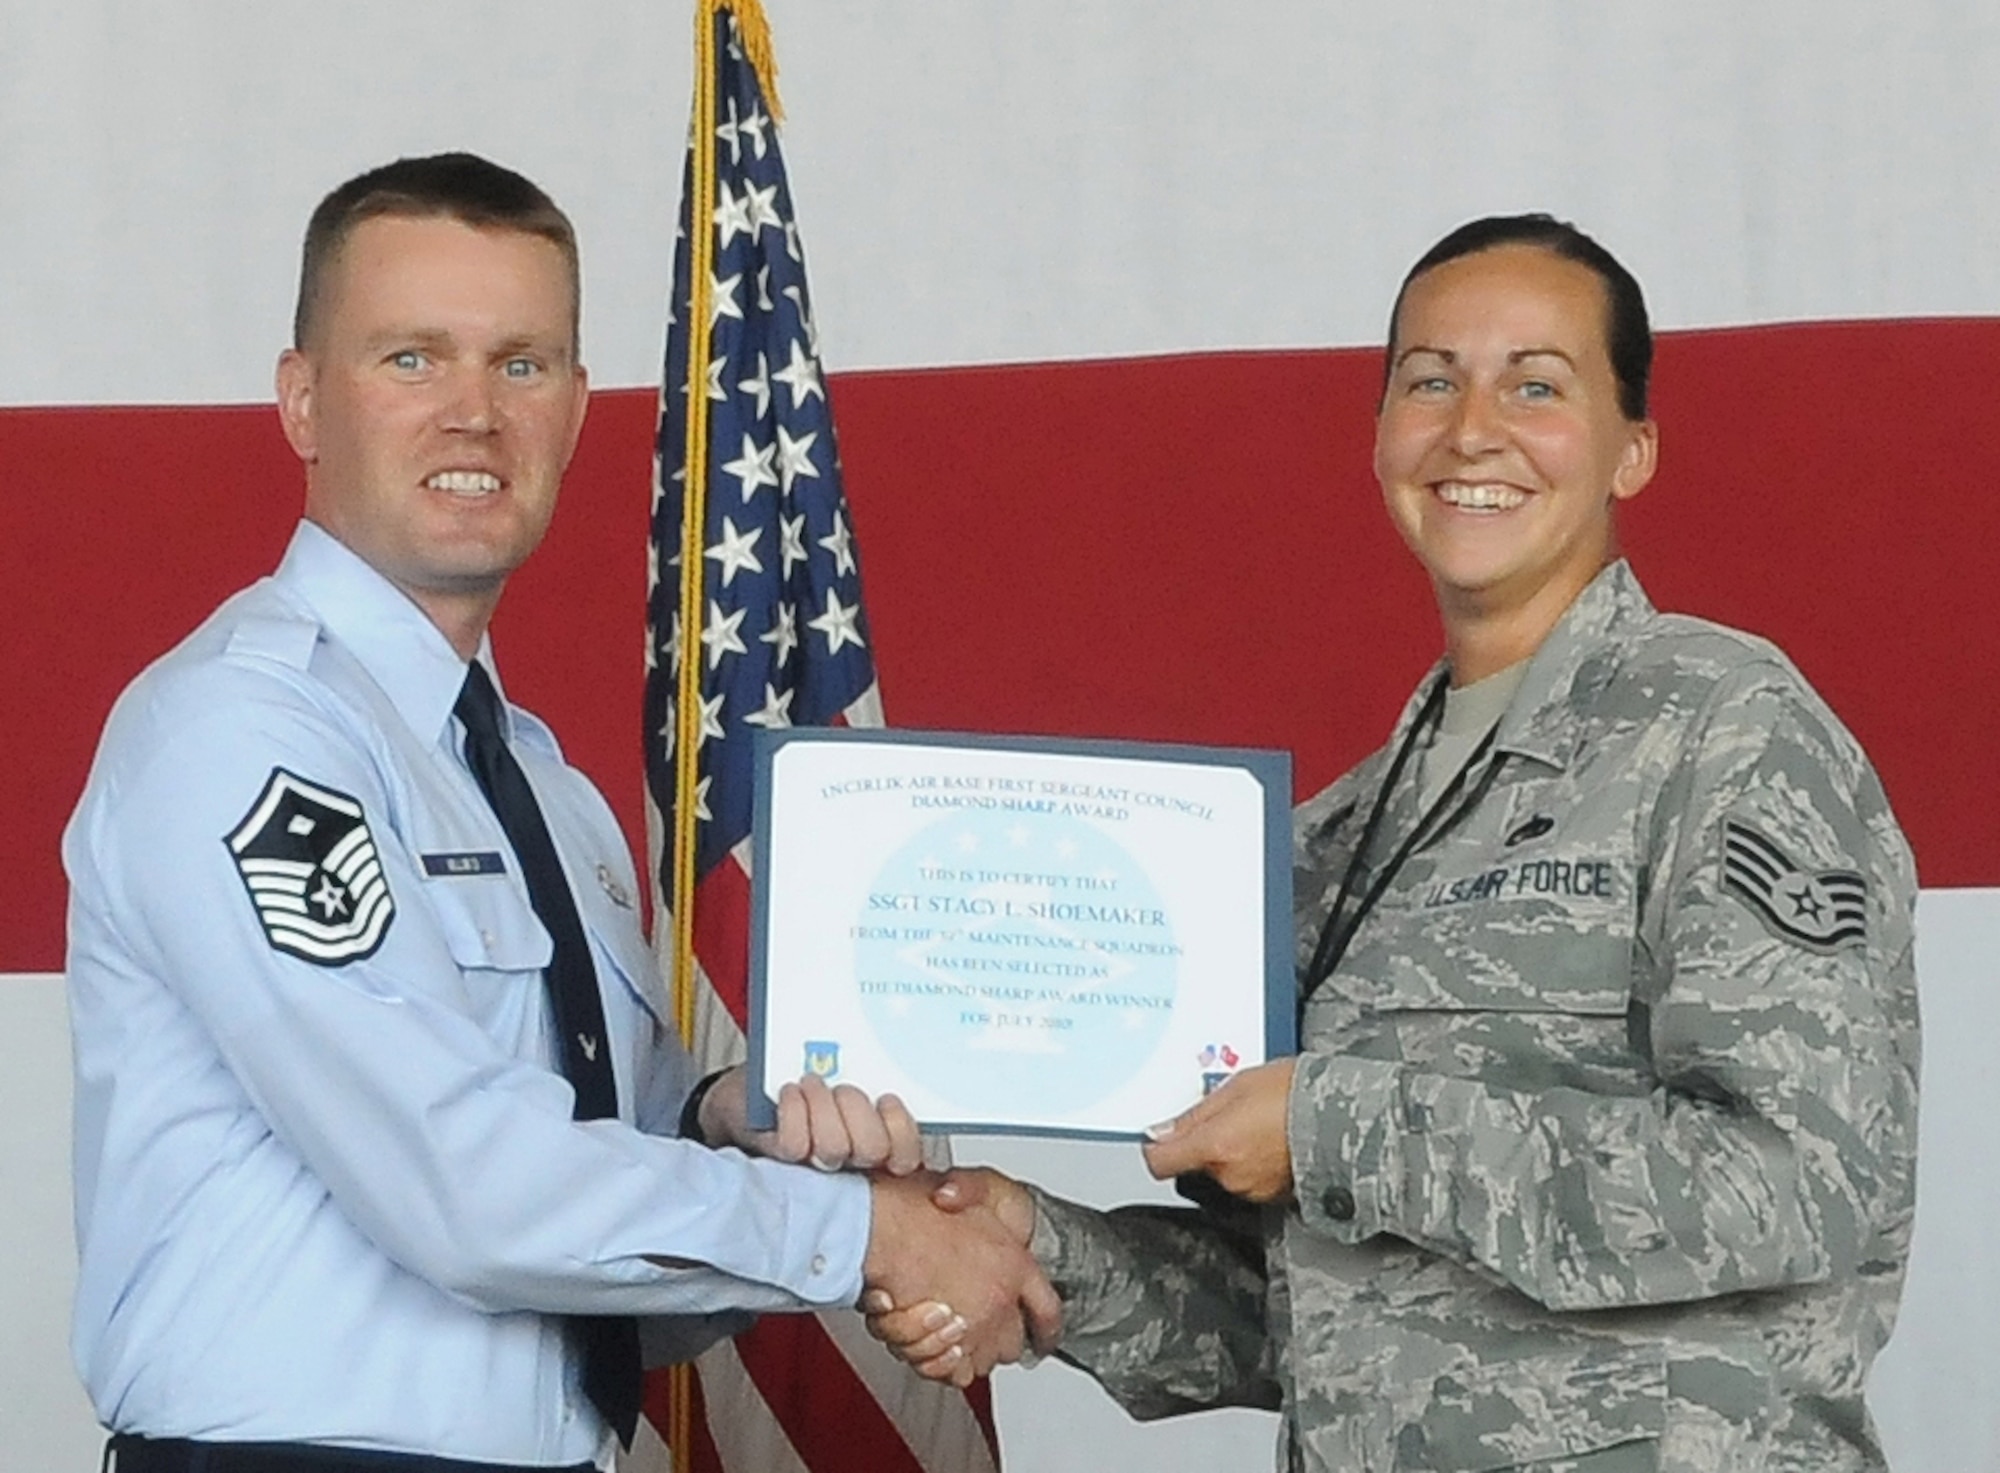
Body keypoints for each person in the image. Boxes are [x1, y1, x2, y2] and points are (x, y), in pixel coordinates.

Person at [869, 215, 1920, 1473]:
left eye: (1535, 386)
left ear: (1630, 450)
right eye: (1430, 381)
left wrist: (1328, 1126)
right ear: (1378, 437)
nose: (1471, 430)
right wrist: (1032, 1249)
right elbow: (1324, 1308)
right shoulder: (1340, 839)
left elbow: (1795, 1189)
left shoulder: (1727, 731)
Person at [63, 152, 1055, 1473]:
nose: (473, 414)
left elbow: (604, 1225)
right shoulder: (245, 736)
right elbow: (466, 1189)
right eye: (411, 359)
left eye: (520, 364)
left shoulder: (542, 788)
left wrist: (735, 1121)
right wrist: (872, 1237)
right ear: (302, 401)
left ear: (577, 409)